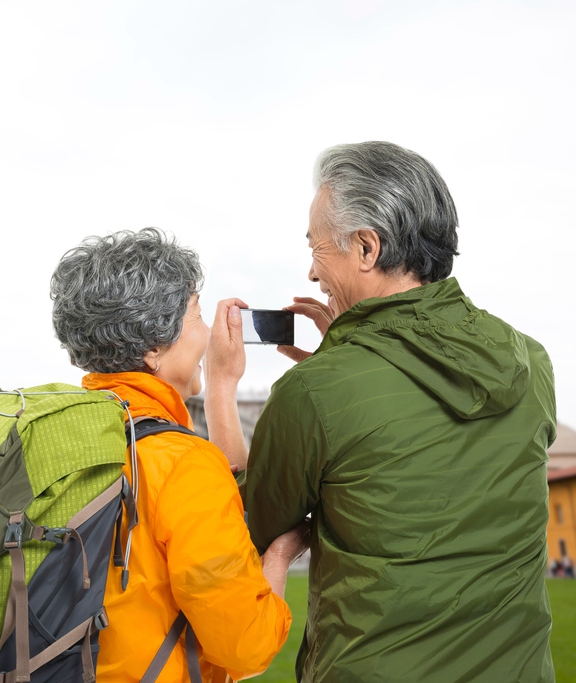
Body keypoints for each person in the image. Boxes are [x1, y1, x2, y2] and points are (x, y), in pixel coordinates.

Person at [206, 141, 557, 682]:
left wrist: (220, 387)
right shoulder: (531, 362)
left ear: (366, 248)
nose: (311, 272)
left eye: (316, 247)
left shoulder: (315, 392)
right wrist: (352, 353)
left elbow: (239, 525)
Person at [51, 228, 307, 682]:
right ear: (153, 348)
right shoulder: (182, 464)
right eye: (196, 314)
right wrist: (280, 557)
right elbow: (247, 645)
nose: (209, 332)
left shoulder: (56, 442)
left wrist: (219, 387)